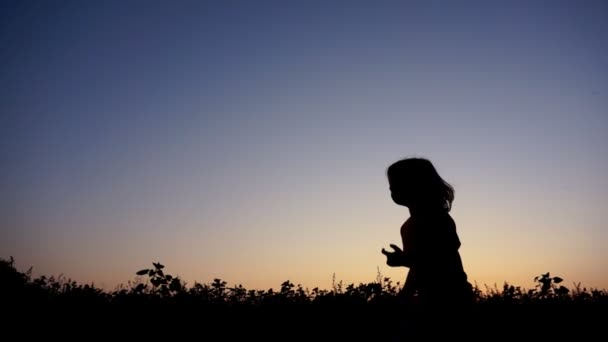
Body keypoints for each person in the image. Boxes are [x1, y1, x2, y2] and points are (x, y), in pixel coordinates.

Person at [381, 157, 473, 308]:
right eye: (391, 184)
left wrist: (404, 260)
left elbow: (441, 259)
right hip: (429, 299)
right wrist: (405, 295)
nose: (391, 188)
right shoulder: (408, 226)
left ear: (417, 185)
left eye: (397, 183)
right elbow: (418, 268)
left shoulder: (439, 219)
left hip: (453, 298)